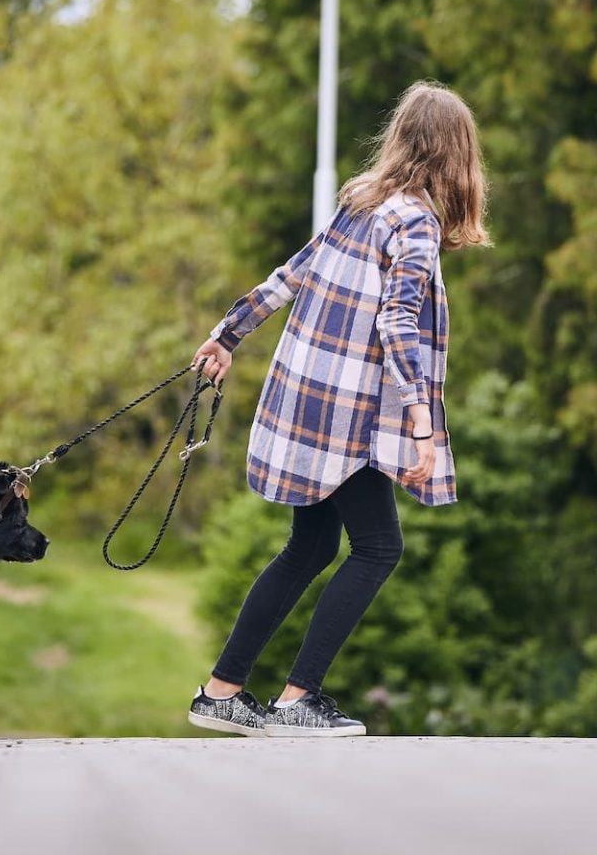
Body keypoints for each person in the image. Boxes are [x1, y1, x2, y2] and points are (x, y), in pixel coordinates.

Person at [187, 80, 492, 738]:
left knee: (312, 543)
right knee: (378, 547)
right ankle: (299, 700)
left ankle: (221, 691)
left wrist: (227, 332)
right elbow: (398, 321)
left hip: (308, 399)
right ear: (454, 155)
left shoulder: (360, 201)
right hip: (351, 412)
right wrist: (421, 425)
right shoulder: (412, 221)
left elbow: (293, 273)